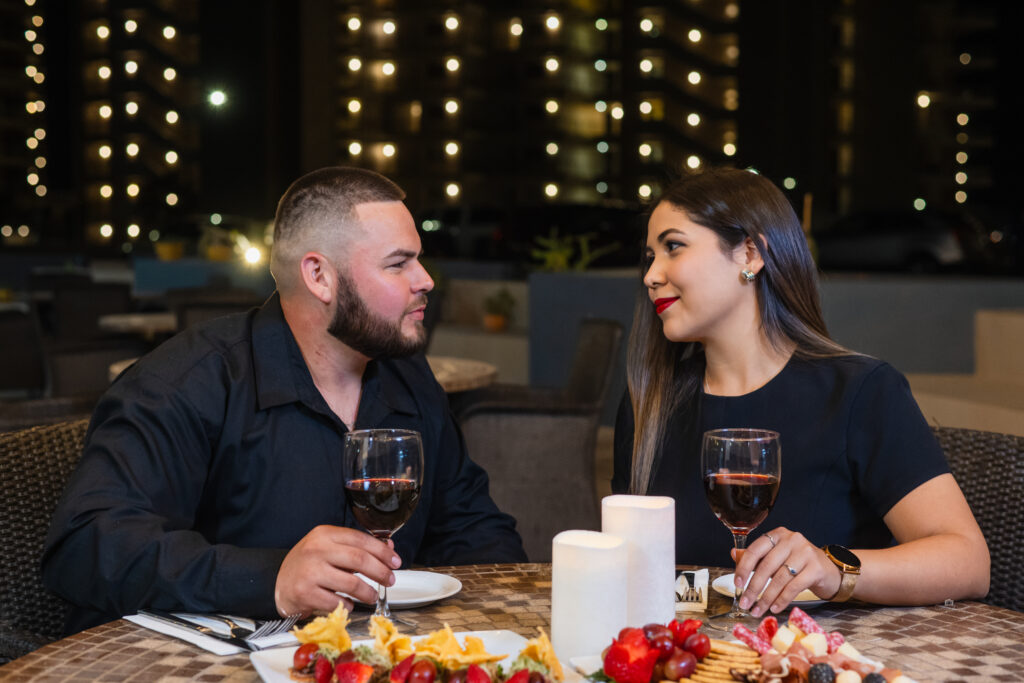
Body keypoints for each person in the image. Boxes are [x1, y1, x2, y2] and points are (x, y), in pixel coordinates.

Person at [42, 167, 526, 633]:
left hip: (360, 660)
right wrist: (268, 579)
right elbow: (83, 546)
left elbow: (473, 527)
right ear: (319, 276)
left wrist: (509, 622)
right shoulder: (188, 381)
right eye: (398, 264)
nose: (425, 279)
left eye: (418, 260)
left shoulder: (408, 376)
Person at [613, 167, 989, 616]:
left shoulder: (860, 392)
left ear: (750, 253)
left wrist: (833, 569)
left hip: (817, 651)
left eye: (673, 247)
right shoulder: (649, 405)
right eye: (649, 256)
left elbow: (968, 562)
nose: (651, 275)